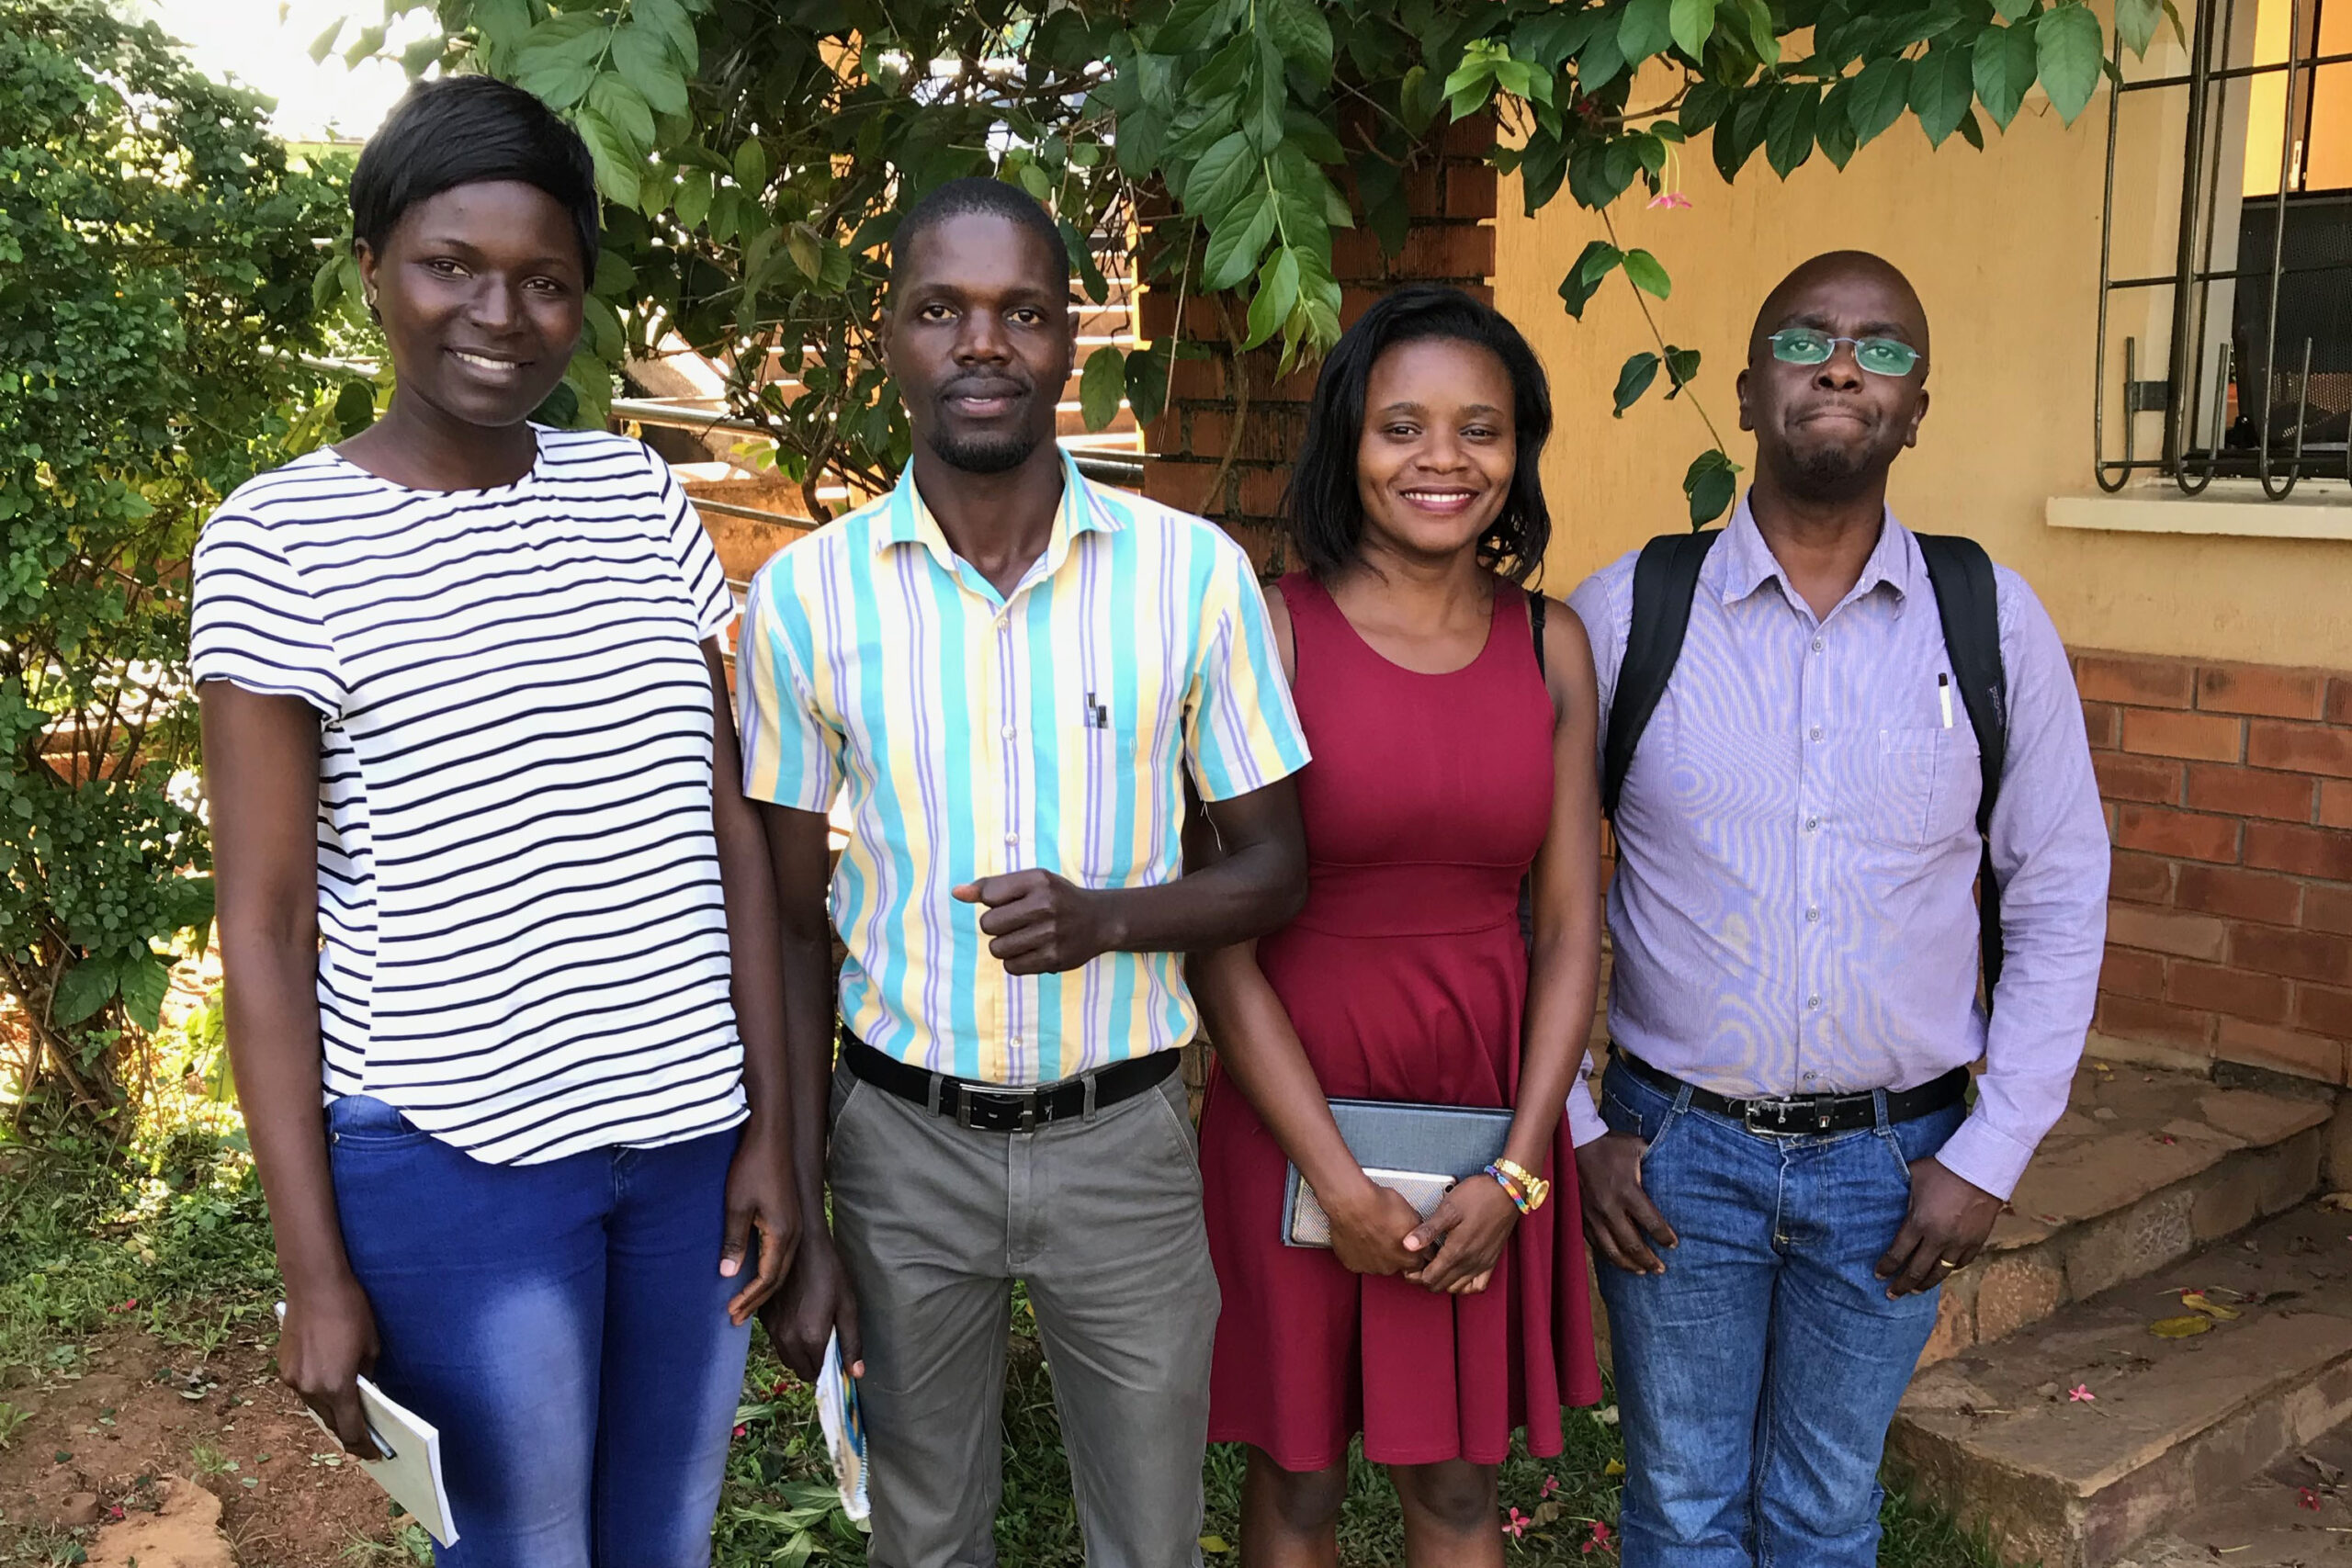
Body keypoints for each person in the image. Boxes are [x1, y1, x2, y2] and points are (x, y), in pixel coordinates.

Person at [192, 77, 797, 1568]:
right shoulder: (279, 539)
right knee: (522, 1550)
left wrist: (782, 1135)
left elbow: (728, 843)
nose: (498, 311)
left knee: (667, 1540)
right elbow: (265, 927)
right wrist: (310, 1265)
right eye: (450, 265)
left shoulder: (638, 499)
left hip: (687, 1149)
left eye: (545, 280)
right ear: (375, 272)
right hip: (456, 1166)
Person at [736, 176, 1311, 1568]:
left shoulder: (1191, 576)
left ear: (1069, 339)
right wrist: (804, 1202)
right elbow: (795, 930)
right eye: (942, 309)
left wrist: (1110, 916)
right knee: (926, 1535)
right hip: (898, 1142)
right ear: (889, 338)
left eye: (1022, 312)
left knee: (1150, 1535)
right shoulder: (806, 598)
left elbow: (1278, 869)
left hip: (1122, 1140)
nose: (982, 343)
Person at [1565, 251, 2109, 1568]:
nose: (1844, 365)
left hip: (1896, 1166)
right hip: (1670, 1155)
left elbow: (2060, 888)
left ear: (1918, 406)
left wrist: (1992, 1151)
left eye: (1884, 349)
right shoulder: (1628, 610)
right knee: (1682, 1507)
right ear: (1751, 389)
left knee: (1824, 1511)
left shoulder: (1992, 621)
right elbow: (1523, 893)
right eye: (1805, 341)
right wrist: (1575, 1127)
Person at [1191, 284, 1606, 1568]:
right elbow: (1220, 940)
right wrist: (1333, 1178)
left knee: (1460, 1486)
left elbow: (1572, 929)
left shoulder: (1552, 648)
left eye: (1480, 429)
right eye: (1402, 427)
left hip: (1484, 1116)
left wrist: (1520, 1171)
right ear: (1347, 444)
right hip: (1292, 1115)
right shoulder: (1271, 631)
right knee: (1299, 1482)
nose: (1442, 460)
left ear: (1519, 449)